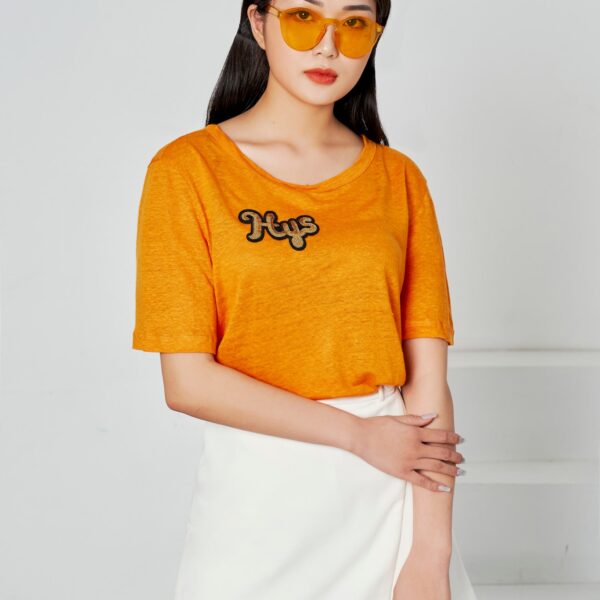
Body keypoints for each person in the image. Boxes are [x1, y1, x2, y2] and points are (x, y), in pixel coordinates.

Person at [132, 1, 478, 598]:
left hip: (391, 496)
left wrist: (430, 553)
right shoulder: (187, 171)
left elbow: (428, 384)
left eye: (354, 24)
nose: (328, 46)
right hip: (258, 497)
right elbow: (187, 382)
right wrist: (358, 435)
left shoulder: (398, 179)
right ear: (258, 23)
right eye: (302, 17)